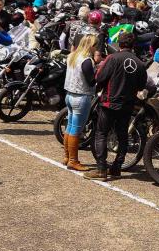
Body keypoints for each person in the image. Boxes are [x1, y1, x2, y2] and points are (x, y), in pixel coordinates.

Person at [85, 32, 147, 180]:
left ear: (120, 43)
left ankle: (101, 169)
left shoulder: (112, 58)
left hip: (109, 103)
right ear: (133, 45)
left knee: (101, 134)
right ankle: (117, 167)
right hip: (127, 105)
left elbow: (99, 77)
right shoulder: (139, 63)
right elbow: (141, 85)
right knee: (122, 135)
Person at [62, 34, 98, 172]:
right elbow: (91, 81)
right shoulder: (87, 61)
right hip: (81, 97)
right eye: (95, 45)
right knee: (76, 130)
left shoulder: (72, 56)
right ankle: (73, 160)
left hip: (69, 95)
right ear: (91, 46)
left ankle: (67, 156)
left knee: (70, 127)